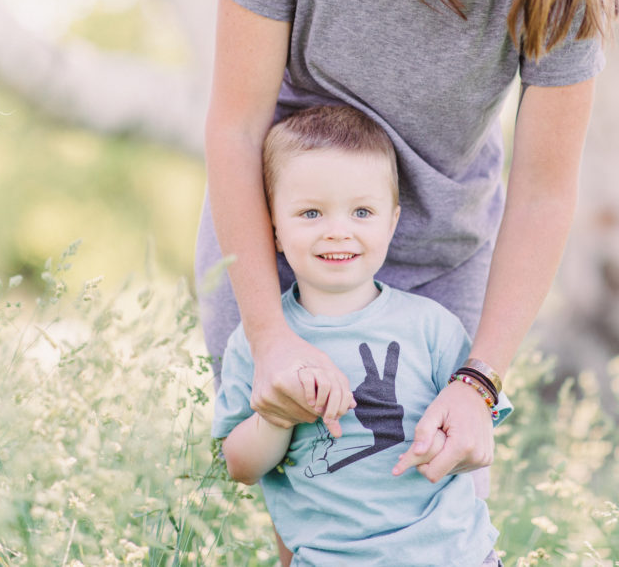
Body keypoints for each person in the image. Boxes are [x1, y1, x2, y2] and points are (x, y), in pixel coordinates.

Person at [194, 0, 619, 560]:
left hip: (442, 257)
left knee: (447, 520)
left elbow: (543, 192)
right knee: (319, 526)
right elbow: (235, 131)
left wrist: (480, 381)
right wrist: (270, 335)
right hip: (287, 245)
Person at [213, 105, 512, 566]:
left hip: (453, 555)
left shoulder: (431, 327)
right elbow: (241, 466)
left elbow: (476, 442)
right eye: (311, 212)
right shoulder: (261, 342)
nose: (338, 231)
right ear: (271, 227)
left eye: (361, 212)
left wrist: (443, 446)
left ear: (391, 223)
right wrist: (278, 416)